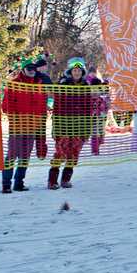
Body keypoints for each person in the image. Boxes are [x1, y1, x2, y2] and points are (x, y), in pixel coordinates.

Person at [1, 59, 47, 193]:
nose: (32, 70)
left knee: (25, 156)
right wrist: (16, 117)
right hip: (17, 126)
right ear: (23, 69)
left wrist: (41, 119)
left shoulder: (39, 85)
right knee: (12, 154)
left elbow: (42, 105)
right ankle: (6, 184)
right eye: (28, 68)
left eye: (33, 68)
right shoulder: (14, 84)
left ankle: (19, 183)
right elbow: (5, 106)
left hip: (33, 126)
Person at [48, 58, 93, 190]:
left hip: (79, 126)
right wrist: (56, 129)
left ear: (82, 72)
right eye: (74, 70)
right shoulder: (63, 84)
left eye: (79, 70)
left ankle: (65, 179)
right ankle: (52, 181)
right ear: (70, 71)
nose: (77, 72)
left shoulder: (86, 86)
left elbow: (88, 109)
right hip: (64, 125)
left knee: (74, 154)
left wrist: (86, 130)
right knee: (60, 153)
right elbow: (56, 107)